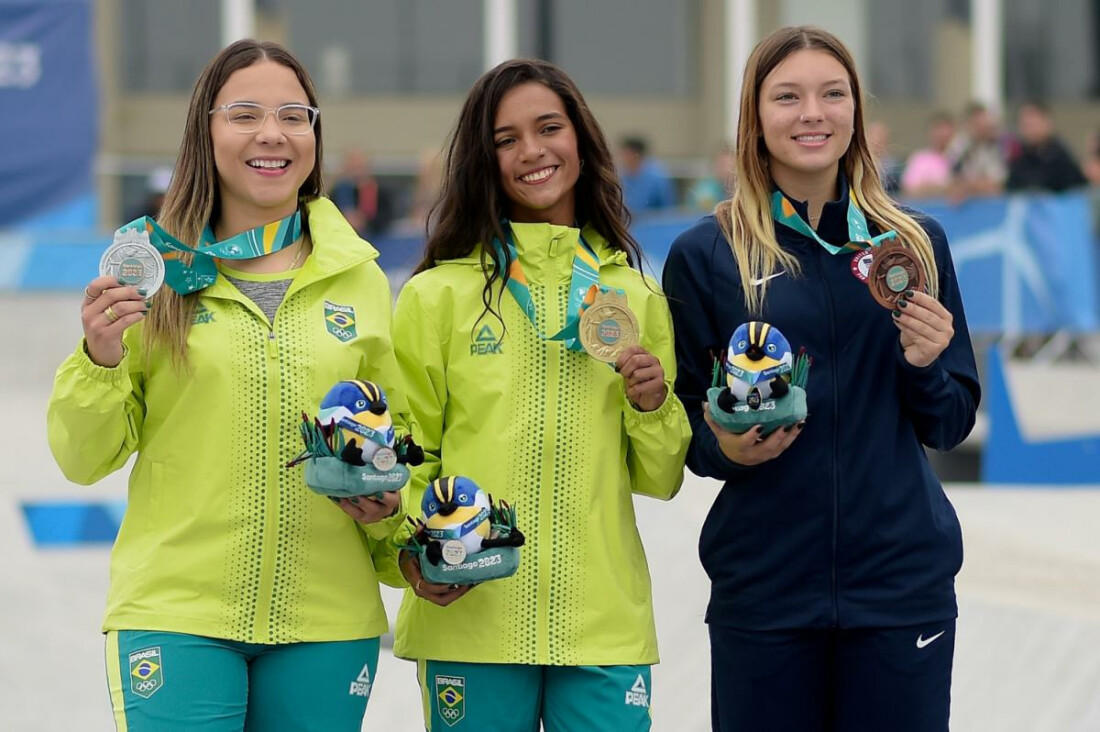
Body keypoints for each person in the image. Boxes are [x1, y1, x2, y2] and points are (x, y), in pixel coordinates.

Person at [46, 40, 408, 731]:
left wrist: (391, 511)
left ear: (314, 134)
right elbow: (81, 456)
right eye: (245, 114)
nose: (272, 133)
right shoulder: (151, 271)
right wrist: (99, 355)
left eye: (293, 115)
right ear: (204, 131)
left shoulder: (359, 277)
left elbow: (395, 436)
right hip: (178, 613)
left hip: (326, 620)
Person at [662, 27, 980, 732]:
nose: (813, 112)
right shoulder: (708, 253)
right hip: (765, 589)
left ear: (856, 113)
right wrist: (725, 450)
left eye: (833, 94)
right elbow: (686, 419)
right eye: (788, 96)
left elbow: (951, 420)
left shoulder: (913, 242)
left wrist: (926, 367)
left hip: (900, 588)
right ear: (755, 116)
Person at [390, 58, 691, 731]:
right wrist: (419, 557)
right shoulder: (436, 297)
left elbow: (662, 475)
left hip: (602, 626)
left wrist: (651, 406)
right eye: (505, 139)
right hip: (471, 617)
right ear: (482, 160)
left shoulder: (635, 297)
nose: (532, 151)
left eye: (548, 127)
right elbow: (407, 452)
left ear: (580, 138)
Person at [1006, 101, 1087, 193]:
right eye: (1025, 125)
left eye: (1033, 124)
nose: (1029, 130)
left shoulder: (1063, 159)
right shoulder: (1018, 159)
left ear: (1047, 123)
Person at [901, 112, 956, 198]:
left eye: (947, 129)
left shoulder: (958, 158)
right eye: (939, 129)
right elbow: (910, 189)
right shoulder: (919, 159)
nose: (944, 133)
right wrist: (944, 188)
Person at [618, 135, 677, 213]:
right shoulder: (622, 175)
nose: (622, 158)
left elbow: (668, 208)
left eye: (625, 153)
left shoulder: (657, 177)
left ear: (634, 154)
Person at [686, 143, 734, 212]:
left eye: (730, 166)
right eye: (723, 165)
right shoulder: (705, 189)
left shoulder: (734, 189)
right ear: (715, 165)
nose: (727, 170)